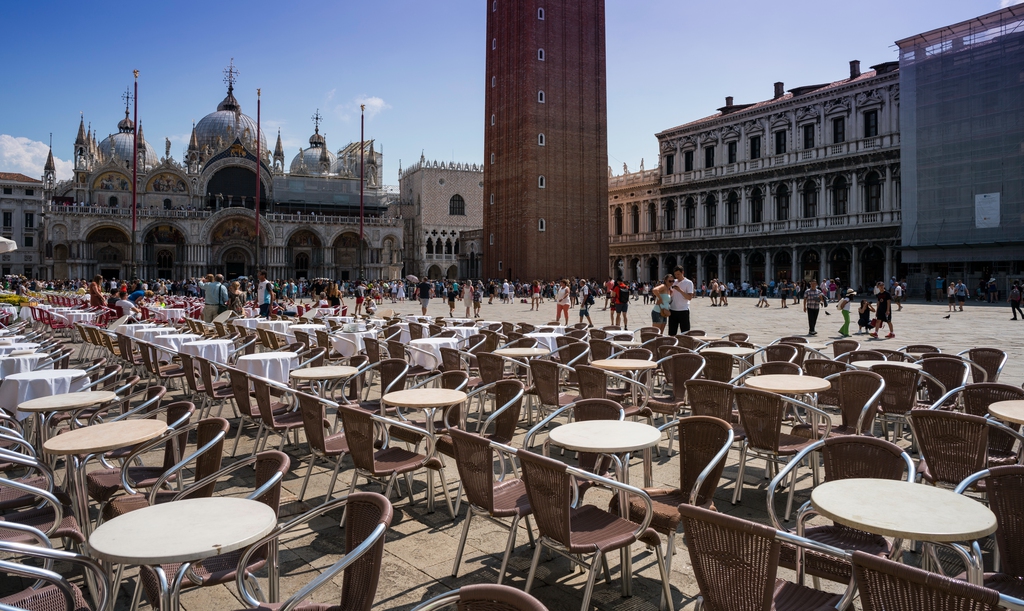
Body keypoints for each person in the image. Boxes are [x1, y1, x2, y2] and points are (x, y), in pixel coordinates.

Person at [667, 266, 695, 336]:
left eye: (678, 274)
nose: (677, 276)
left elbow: (689, 297)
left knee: (685, 333)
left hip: (683, 310)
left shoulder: (688, 283)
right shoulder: (673, 282)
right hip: (673, 310)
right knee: (671, 333)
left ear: (683, 273)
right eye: (675, 274)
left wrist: (680, 290)